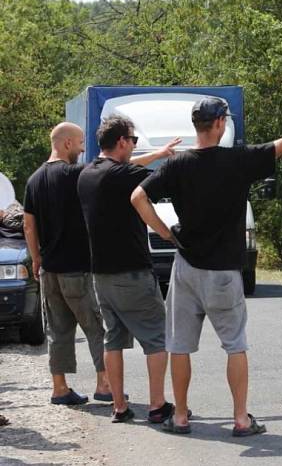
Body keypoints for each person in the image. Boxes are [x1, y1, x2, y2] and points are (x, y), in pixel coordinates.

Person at [130, 97, 282, 436]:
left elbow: (137, 197)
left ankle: (179, 417)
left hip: (186, 267)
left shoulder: (176, 165)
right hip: (224, 273)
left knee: (179, 345)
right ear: (220, 123)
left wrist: (165, 233)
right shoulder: (238, 160)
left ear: (197, 126)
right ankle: (239, 419)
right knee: (234, 345)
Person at [76, 115, 181, 423]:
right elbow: (148, 177)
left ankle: (119, 406)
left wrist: (159, 153)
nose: (134, 146)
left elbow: (128, 166)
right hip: (132, 272)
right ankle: (157, 405)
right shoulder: (123, 176)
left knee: (113, 340)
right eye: (133, 141)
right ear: (122, 141)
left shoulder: (88, 173)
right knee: (157, 338)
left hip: (101, 274)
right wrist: (166, 233)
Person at [22, 122, 110, 406]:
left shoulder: (34, 179)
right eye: (81, 143)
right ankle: (104, 384)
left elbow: (28, 225)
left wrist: (36, 259)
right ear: (67, 143)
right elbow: (113, 170)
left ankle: (59, 388)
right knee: (95, 327)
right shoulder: (75, 174)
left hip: (49, 270)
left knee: (58, 331)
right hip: (77, 269)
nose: (84, 149)